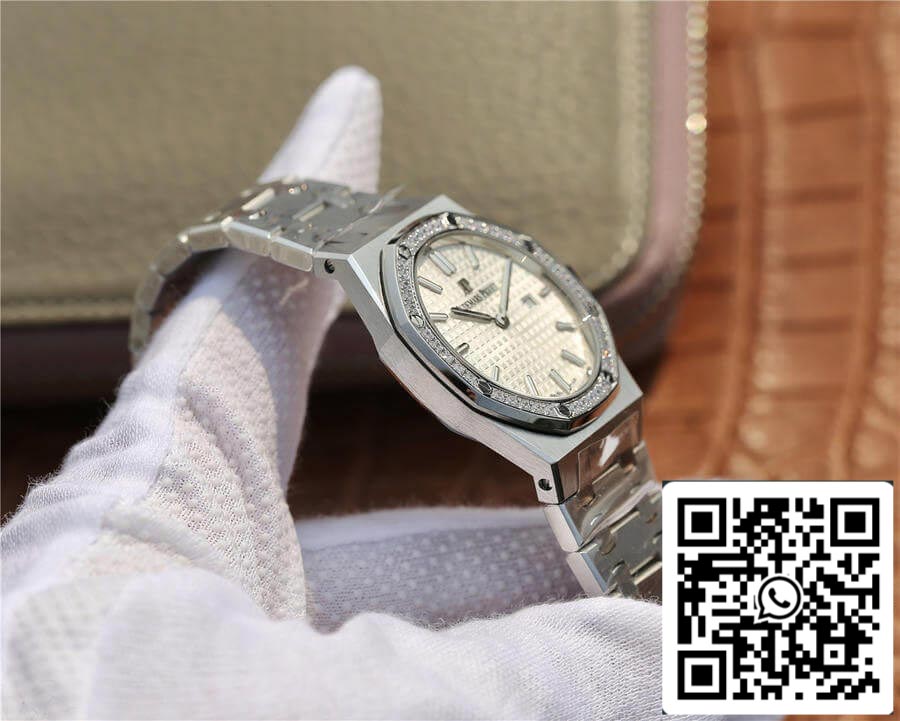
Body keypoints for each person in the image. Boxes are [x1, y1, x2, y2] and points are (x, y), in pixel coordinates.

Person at [2, 67, 753, 721]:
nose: (497, 316)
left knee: (784, 592)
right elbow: (776, 603)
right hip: (772, 593)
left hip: (627, 448)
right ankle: (803, 611)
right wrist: (765, 637)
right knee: (779, 590)